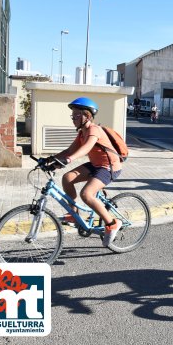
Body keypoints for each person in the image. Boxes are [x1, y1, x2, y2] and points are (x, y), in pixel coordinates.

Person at [48, 97, 123, 246]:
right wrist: (49, 159)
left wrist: (69, 160)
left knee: (86, 194)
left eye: (76, 115)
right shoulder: (82, 132)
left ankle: (112, 223)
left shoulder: (94, 130)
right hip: (96, 165)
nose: (73, 118)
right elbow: (70, 150)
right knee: (67, 177)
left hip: (109, 166)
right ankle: (73, 214)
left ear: (87, 116)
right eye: (72, 115)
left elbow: (86, 148)